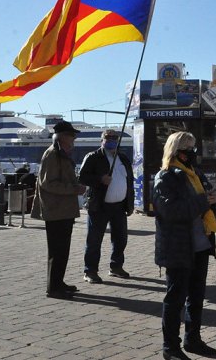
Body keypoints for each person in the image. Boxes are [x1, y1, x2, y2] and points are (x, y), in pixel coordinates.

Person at [153, 132, 216, 359]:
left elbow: (209, 204)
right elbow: (171, 211)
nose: (193, 152)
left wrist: (215, 199)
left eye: (194, 146)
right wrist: (203, 201)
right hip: (178, 246)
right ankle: (170, 347)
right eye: (188, 148)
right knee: (175, 299)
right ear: (176, 150)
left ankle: (193, 339)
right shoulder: (165, 177)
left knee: (196, 296)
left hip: (201, 244)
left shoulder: (195, 173)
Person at [37, 121, 86, 300]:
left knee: (63, 250)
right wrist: (74, 189)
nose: (74, 139)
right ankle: (53, 287)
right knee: (57, 250)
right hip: (56, 211)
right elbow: (47, 183)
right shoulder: (52, 155)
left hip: (64, 210)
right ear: (62, 137)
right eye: (72, 135)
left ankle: (59, 282)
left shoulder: (61, 154)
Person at [79, 129, 134, 284]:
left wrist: (130, 203)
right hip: (99, 206)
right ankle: (90, 271)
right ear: (101, 140)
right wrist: (100, 179)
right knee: (94, 241)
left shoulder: (122, 158)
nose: (111, 142)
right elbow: (82, 177)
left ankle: (116, 267)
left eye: (114, 139)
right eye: (108, 139)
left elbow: (129, 182)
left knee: (120, 239)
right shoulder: (93, 157)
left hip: (119, 206)